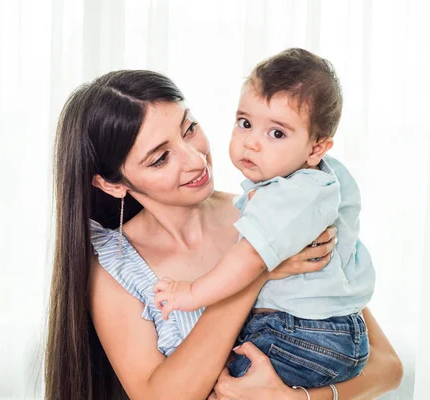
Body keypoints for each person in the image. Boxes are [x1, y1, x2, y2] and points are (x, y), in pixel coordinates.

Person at [44, 69, 403, 400]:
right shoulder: (116, 266)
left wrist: (298, 399)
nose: (194, 159)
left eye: (189, 129)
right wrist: (257, 273)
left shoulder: (274, 212)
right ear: (112, 183)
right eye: (160, 158)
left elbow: (386, 365)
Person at [153, 48, 375, 389]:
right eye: (245, 123)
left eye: (277, 133)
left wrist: (191, 293)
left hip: (305, 331)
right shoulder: (320, 181)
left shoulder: (293, 194)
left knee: (225, 385)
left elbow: (250, 258)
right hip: (331, 331)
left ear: (316, 149)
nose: (252, 142)